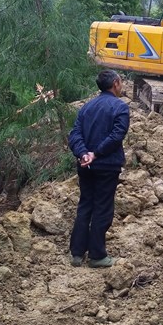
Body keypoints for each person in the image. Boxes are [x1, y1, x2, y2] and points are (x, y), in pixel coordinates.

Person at [68, 69, 130, 268]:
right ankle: (97, 255)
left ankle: (77, 253)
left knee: (85, 204)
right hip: (107, 166)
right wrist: (96, 154)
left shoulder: (87, 107)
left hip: (85, 166)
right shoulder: (120, 107)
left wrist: (83, 154)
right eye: (121, 82)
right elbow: (116, 135)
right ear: (116, 83)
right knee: (102, 208)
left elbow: (75, 134)